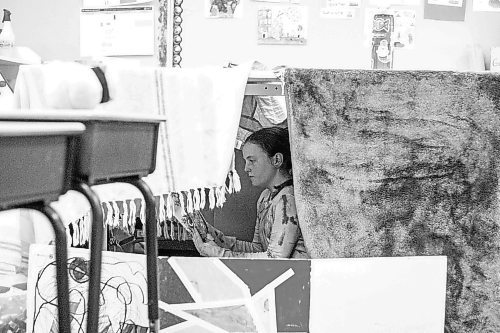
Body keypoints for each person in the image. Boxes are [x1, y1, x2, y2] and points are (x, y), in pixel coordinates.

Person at [180, 127, 309, 258]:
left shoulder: (288, 199)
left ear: (276, 160)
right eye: (246, 161)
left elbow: (275, 259)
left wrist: (219, 254)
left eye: (252, 161)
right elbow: (258, 248)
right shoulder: (265, 197)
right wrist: (218, 238)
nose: (246, 168)